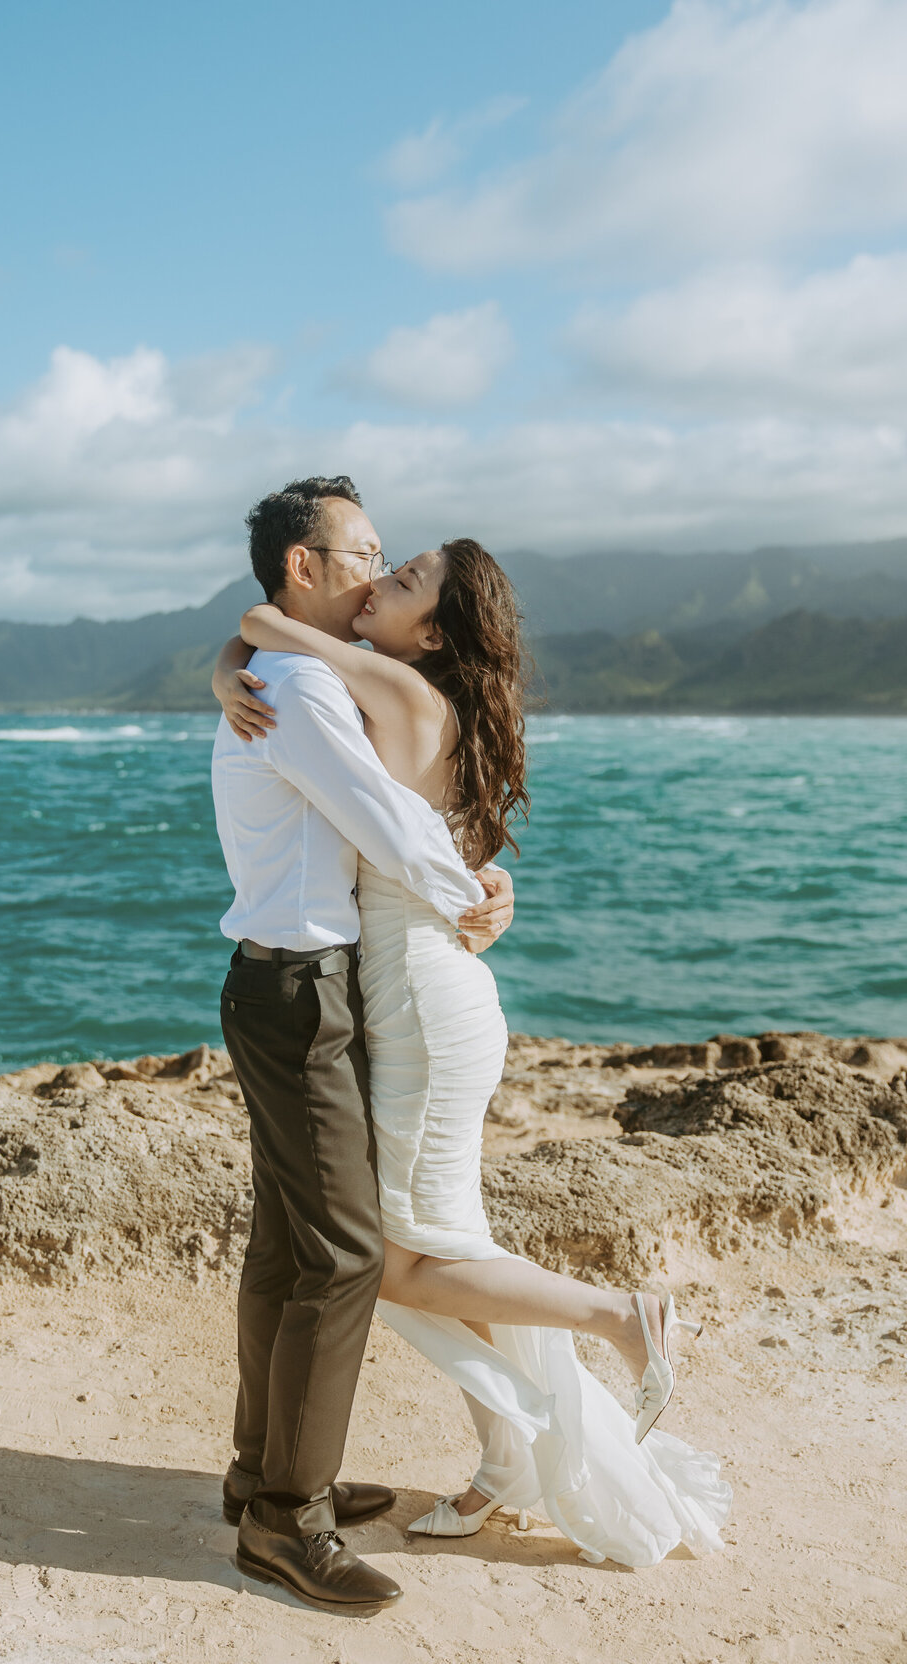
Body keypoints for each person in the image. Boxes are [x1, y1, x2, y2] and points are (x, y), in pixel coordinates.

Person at [214, 504, 733, 1571]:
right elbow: (279, 632)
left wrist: (237, 647)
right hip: (431, 994)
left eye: (399, 579)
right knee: (447, 1243)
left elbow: (280, 628)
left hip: (418, 1002)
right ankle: (507, 1457)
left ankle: (617, 1315)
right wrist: (235, 654)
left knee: (401, 1260)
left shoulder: (393, 689)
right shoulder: (428, 694)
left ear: (436, 632)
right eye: (375, 564)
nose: (377, 584)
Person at [209, 476, 518, 1614]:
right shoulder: (292, 685)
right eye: (361, 553)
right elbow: (384, 821)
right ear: (303, 568)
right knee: (339, 1256)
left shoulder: (283, 669)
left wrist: (480, 884)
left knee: (291, 1247)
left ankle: (264, 1480)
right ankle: (287, 1522)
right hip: (297, 995)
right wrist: (467, 900)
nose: (377, 572)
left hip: (295, 985)